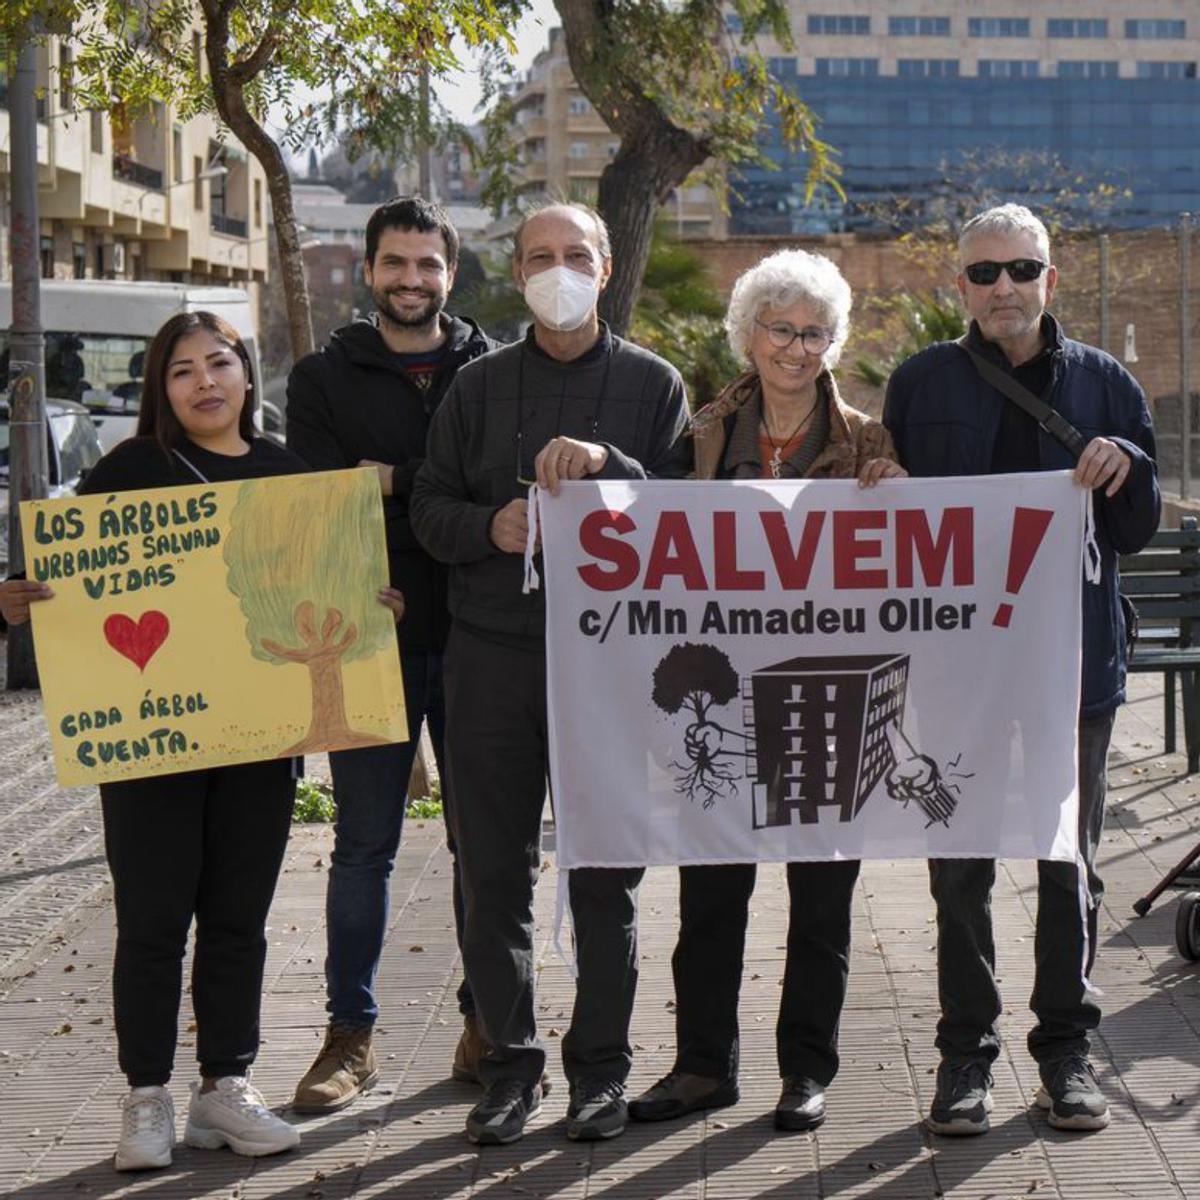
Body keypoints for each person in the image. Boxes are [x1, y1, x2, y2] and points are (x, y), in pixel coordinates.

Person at [1, 312, 402, 1171]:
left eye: (219, 362)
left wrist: (376, 611)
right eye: (181, 370)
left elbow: (334, 584)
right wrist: (19, 600)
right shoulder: (124, 473)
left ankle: (225, 1088)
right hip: (153, 747)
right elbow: (68, 583)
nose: (204, 382)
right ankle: (146, 1097)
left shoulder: (289, 476)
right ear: (162, 390)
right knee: (152, 922)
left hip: (257, 744)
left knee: (237, 922)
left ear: (248, 375)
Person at [410, 202, 689, 1146]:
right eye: (539, 256)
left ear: (605, 269)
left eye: (575, 255)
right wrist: (488, 526)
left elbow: (692, 518)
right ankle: (510, 1065)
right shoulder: (477, 386)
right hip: (491, 658)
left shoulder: (654, 384)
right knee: (492, 876)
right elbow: (428, 509)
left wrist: (613, 465)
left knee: (606, 874)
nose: (557, 269)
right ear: (515, 272)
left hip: (614, 665)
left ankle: (601, 1075)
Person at [882, 204, 1160, 1135]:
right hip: (955, 674)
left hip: (1072, 667)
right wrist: (876, 489)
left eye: (1021, 268)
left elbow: (1134, 530)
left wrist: (1127, 466)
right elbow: (891, 538)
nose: (1003, 286)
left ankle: (1067, 1052)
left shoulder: (1109, 385)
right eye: (984, 272)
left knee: (1066, 864)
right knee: (957, 867)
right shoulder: (918, 384)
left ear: (1051, 277)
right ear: (958, 285)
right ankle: (967, 1056)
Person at [626, 249, 903, 1134]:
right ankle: (705, 1066)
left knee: (821, 898)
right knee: (711, 896)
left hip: (826, 693)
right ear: (748, 335)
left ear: (834, 342)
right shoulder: (697, 436)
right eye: (779, 328)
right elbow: (646, 549)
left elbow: (909, 563)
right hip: (721, 695)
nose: (794, 347)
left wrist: (901, 498)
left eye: (814, 332)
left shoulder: (868, 440)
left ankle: (806, 1072)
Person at [286, 197, 497, 1112]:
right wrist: (420, 493)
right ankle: (349, 1039)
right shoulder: (320, 379)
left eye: (428, 265)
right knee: (362, 846)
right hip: (365, 636)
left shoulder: (492, 370)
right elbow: (322, 498)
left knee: (484, 847)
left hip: (485, 636)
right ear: (369, 270)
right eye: (395, 264)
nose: (411, 279)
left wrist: (396, 482)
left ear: (451, 273)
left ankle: (488, 1020)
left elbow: (491, 489)